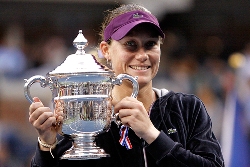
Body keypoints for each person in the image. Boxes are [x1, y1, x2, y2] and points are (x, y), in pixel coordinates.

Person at [28, 4, 224, 167]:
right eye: (130, 44)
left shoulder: (187, 108)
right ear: (106, 50)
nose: (142, 55)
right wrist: (47, 144)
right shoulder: (84, 115)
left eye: (150, 44)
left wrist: (152, 135)